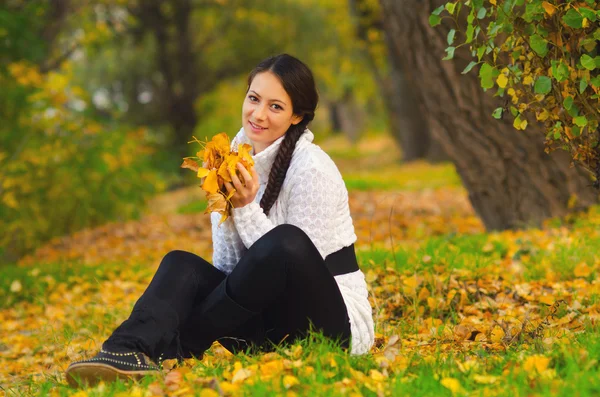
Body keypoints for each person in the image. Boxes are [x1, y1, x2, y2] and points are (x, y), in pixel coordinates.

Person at [65, 53, 375, 387]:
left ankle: (177, 346)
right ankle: (124, 351)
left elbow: (290, 267)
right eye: (254, 98)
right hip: (265, 329)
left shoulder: (312, 169)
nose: (258, 114)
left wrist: (243, 207)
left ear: (297, 115)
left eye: (275, 106)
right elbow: (230, 271)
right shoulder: (230, 160)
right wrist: (227, 207)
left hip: (332, 326)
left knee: (287, 240)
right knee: (180, 264)